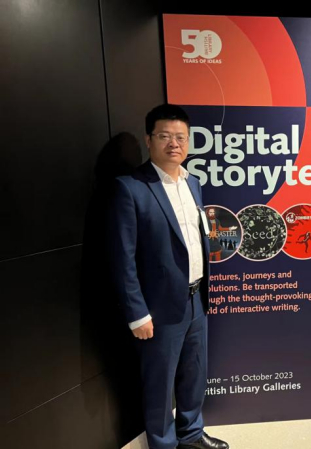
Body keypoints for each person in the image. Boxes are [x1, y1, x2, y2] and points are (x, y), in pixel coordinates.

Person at [109, 104, 229, 449]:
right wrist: (137, 313)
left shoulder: (193, 183)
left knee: (195, 373)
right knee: (160, 384)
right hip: (158, 308)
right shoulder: (130, 188)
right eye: (164, 136)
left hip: (196, 300)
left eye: (180, 137)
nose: (174, 144)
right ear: (149, 140)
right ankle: (163, 444)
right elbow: (122, 257)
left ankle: (191, 433)